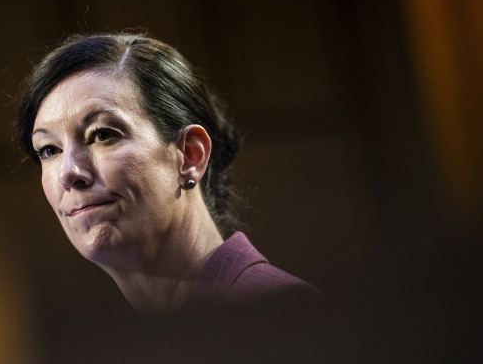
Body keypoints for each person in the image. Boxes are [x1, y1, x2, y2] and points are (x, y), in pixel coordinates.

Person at [16, 32, 316, 314]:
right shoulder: (132, 352)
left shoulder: (282, 312)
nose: (68, 173)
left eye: (103, 134)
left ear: (189, 155)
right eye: (49, 150)